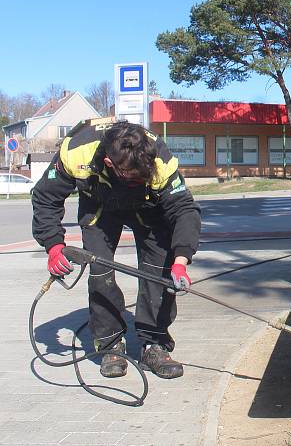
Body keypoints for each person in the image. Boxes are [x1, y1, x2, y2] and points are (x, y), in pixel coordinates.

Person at [32, 120, 201, 379]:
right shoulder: (77, 151)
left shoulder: (159, 158)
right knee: (100, 270)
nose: (137, 179)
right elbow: (46, 197)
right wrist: (54, 246)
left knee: (160, 269)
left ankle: (153, 344)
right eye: (131, 176)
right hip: (100, 204)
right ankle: (111, 345)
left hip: (149, 207)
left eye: (141, 175)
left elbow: (184, 210)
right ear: (111, 163)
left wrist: (181, 261)